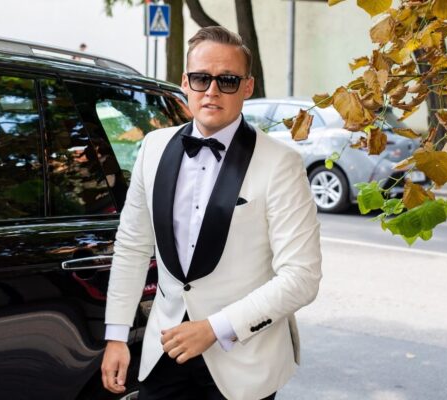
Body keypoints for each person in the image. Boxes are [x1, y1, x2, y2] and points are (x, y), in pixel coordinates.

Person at [101, 26, 322, 400]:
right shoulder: (153, 147)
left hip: (245, 358)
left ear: (247, 87)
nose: (212, 91)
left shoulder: (280, 163)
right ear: (185, 82)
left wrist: (214, 328)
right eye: (201, 78)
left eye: (227, 80)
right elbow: (132, 247)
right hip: (165, 349)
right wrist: (117, 335)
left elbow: (301, 276)